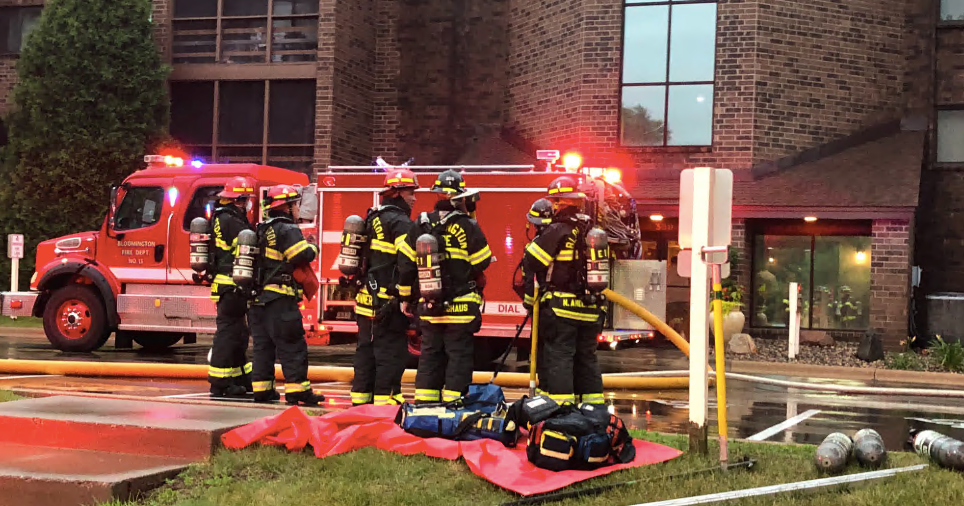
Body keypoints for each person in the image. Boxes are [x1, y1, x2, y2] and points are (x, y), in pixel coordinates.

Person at [398, 169, 492, 404]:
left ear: (437, 194)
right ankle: (453, 405)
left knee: (430, 354)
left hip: (430, 304)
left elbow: (406, 264)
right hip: (461, 305)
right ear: (460, 196)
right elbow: (482, 260)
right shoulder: (467, 224)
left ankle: (425, 405)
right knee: (458, 356)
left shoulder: (420, 223)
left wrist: (406, 297)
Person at [522, 175, 605, 405]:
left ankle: (562, 409)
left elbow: (532, 261)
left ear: (560, 201)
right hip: (591, 308)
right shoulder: (591, 229)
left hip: (562, 309)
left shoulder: (558, 229)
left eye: (555, 201)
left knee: (560, 357)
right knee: (587, 359)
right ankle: (594, 408)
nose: (553, 206)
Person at [249, 185, 325, 406]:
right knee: (292, 346)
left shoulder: (261, 229)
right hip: (280, 300)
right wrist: (314, 248)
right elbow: (300, 255)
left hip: (258, 300)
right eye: (295, 204)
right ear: (287, 206)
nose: (297, 208)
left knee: (263, 348)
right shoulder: (287, 228)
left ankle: (262, 391)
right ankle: (298, 392)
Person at [350, 168, 419, 406]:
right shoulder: (401, 222)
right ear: (397, 193)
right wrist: (406, 294)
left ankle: (360, 400)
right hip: (388, 301)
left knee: (365, 350)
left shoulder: (372, 217)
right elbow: (407, 262)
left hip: (365, 298)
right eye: (410, 192)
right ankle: (386, 400)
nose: (414, 198)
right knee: (390, 351)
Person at [207, 176, 256, 398]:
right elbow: (248, 248)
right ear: (238, 200)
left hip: (226, 284)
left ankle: (240, 378)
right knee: (228, 335)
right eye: (245, 199)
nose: (247, 204)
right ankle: (220, 383)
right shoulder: (232, 221)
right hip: (231, 285)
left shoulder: (221, 217)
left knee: (238, 334)